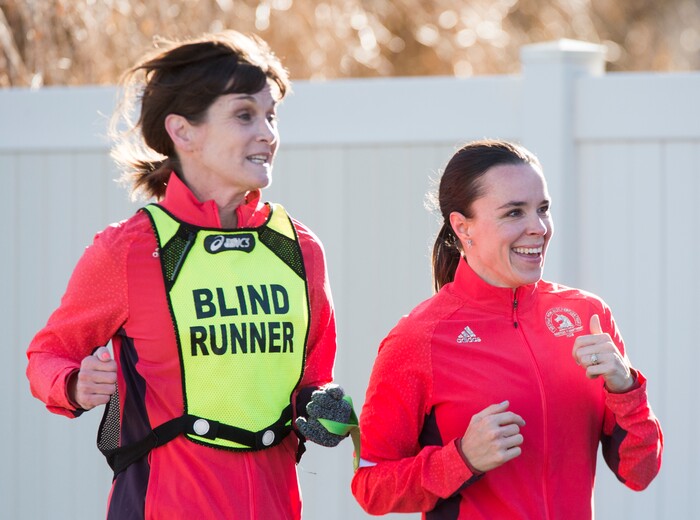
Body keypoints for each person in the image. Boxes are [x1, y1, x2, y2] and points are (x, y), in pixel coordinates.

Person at [26, 30, 355, 519]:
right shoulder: (129, 249)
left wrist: (324, 408)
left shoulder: (301, 247)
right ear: (183, 132)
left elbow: (311, 377)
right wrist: (73, 384)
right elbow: (47, 356)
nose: (268, 132)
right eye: (245, 114)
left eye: (271, 115)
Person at [351, 139, 663, 519]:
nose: (539, 228)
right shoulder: (419, 338)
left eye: (543, 209)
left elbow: (640, 473)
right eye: (514, 212)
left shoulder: (587, 315)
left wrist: (625, 387)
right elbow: (371, 487)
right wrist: (462, 458)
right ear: (463, 227)